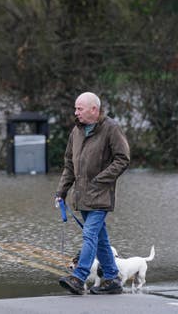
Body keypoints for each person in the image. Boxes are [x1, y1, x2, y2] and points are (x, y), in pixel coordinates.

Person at [55, 92, 130, 295]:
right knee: (99, 238)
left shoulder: (111, 128)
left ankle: (79, 277)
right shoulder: (76, 132)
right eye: (76, 108)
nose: (76, 112)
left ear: (94, 110)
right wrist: (61, 191)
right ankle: (112, 278)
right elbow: (69, 165)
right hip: (81, 196)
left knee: (89, 235)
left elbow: (123, 159)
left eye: (80, 108)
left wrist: (100, 180)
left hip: (101, 195)